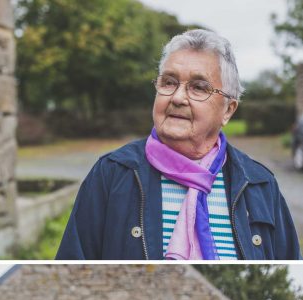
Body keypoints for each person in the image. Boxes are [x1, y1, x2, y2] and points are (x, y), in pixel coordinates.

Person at [56, 29, 300, 260]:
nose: (178, 97)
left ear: (228, 110)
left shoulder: (260, 185)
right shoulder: (112, 173)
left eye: (198, 87)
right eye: (169, 82)